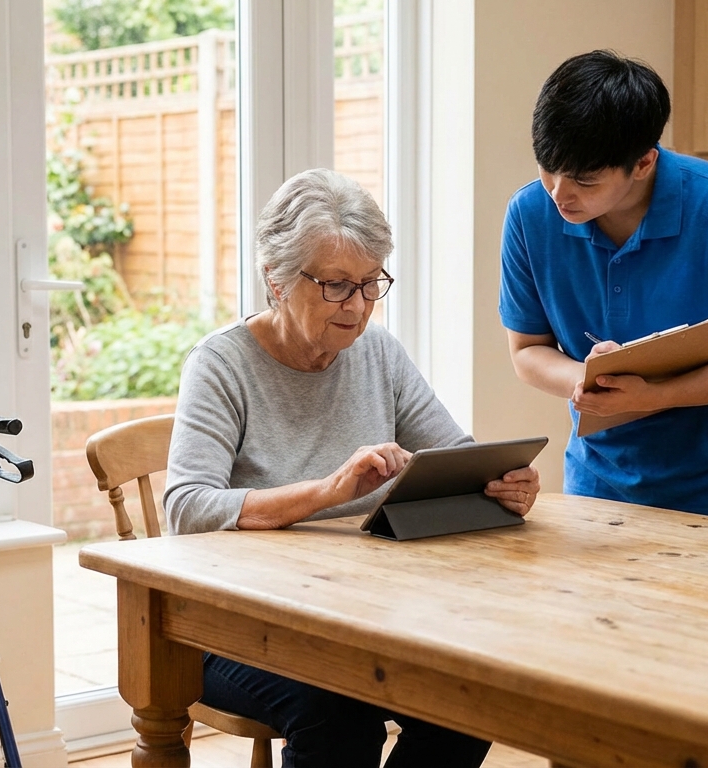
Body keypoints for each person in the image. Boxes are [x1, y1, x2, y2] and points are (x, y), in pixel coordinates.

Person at [165, 167, 540, 767]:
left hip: (356, 610)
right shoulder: (220, 364)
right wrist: (328, 490)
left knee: (470, 693)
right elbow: (186, 509)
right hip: (233, 620)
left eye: (371, 284)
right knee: (338, 712)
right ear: (277, 279)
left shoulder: (378, 353)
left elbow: (455, 458)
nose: (359, 306)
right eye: (337, 285)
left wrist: (501, 482)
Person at [499, 50, 708, 525]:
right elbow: (527, 351)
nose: (558, 193)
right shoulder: (531, 215)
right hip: (597, 488)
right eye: (547, 168)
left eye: (584, 180)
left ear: (643, 162)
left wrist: (653, 396)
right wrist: (590, 380)